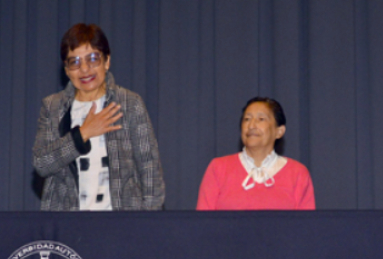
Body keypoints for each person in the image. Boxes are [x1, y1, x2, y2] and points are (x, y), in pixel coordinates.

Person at [33, 23, 165, 210]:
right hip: (68, 225)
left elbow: (150, 170)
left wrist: (146, 225)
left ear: (107, 61)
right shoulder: (53, 107)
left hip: (122, 224)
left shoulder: (129, 103)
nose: (85, 69)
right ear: (66, 70)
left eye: (93, 59)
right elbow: (41, 163)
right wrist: (82, 134)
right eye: (75, 62)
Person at [197, 97, 315, 210]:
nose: (251, 125)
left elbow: (306, 226)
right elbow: (203, 223)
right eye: (247, 119)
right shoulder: (218, 168)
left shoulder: (297, 173)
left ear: (279, 131)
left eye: (261, 119)